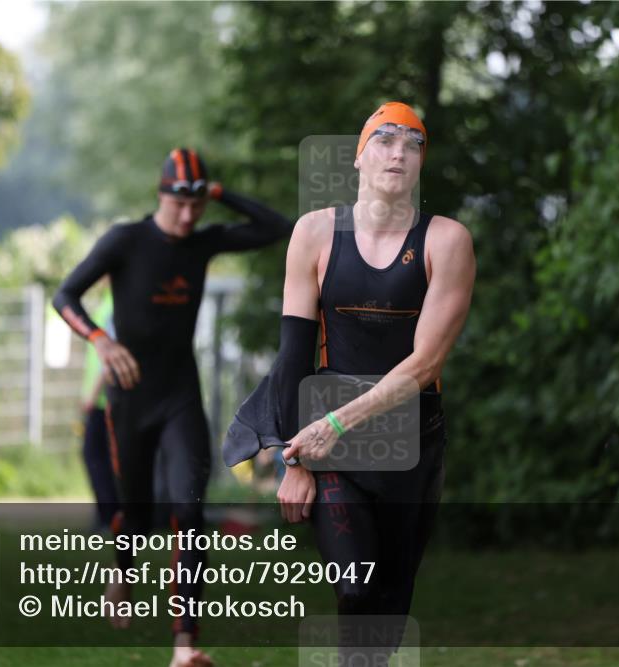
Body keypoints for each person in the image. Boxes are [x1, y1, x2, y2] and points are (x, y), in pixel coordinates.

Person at [53, 148, 292, 667]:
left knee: (188, 510)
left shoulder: (202, 243)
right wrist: (99, 339)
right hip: (129, 399)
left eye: (196, 207)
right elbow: (65, 295)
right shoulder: (126, 241)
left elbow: (276, 226)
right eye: (179, 205)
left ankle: (184, 647)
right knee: (134, 515)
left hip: (180, 394)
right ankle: (123, 571)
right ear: (160, 194)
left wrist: (221, 192)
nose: (188, 217)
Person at [273, 102, 475, 662]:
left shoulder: (446, 241)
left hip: (411, 441)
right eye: (385, 140)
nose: (399, 153)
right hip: (331, 446)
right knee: (356, 588)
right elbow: (292, 356)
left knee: (387, 607)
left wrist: (336, 422)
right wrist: (294, 459)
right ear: (359, 156)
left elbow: (426, 364)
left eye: (414, 145)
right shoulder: (314, 233)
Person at [79, 287, 119, 534]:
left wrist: (92, 396)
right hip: (100, 399)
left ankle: (110, 518)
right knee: (98, 458)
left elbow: (110, 357)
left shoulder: (116, 304)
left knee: (96, 457)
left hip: (106, 400)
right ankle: (107, 517)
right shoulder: (106, 302)